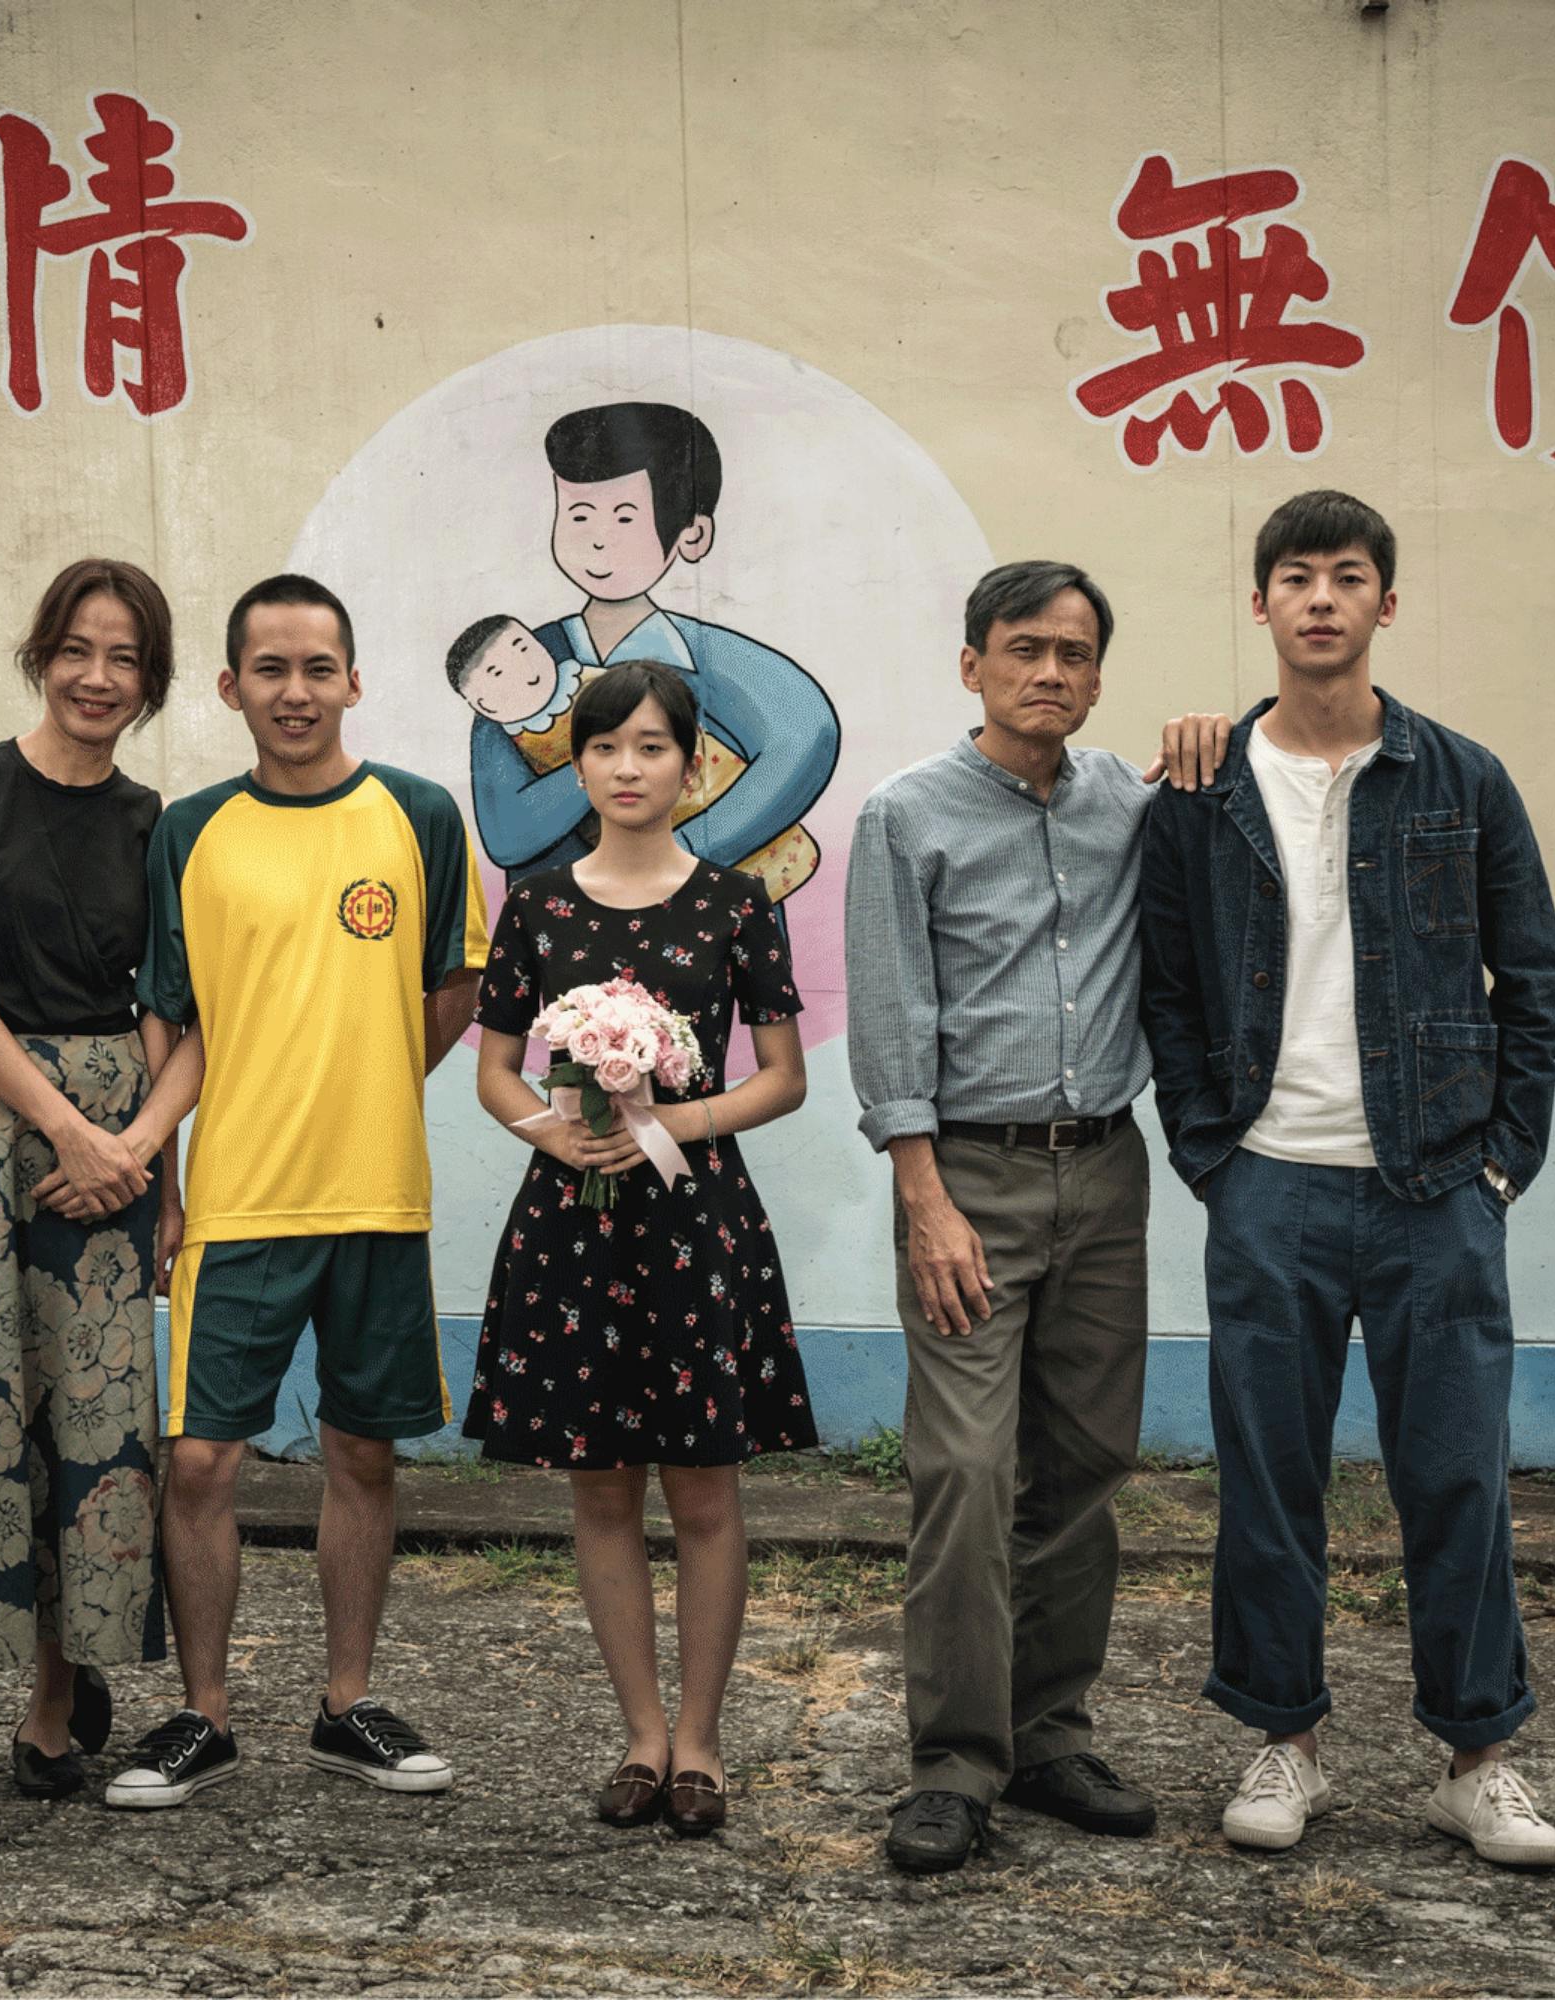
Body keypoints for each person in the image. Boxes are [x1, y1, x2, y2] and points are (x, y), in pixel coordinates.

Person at [1137, 490, 1555, 1868]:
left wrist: (1500, 1164)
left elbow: (1533, 985)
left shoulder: (1461, 778)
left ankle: (1478, 1757)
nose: (1318, 599)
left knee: (1456, 1478)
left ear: (1386, 604)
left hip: (1435, 1187)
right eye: (1293, 577)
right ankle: (1285, 1738)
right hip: (1268, 1184)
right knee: (1269, 1480)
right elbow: (1166, 992)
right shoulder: (1199, 795)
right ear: (1255, 604)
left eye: (1346, 577)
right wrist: (1212, 1156)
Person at [843, 559, 1228, 1875]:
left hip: (1102, 1174)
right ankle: (953, 1760)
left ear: (1097, 672)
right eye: (1022, 649)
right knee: (963, 1468)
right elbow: (891, 1014)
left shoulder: (1128, 798)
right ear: (972, 665)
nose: (1048, 671)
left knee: (1081, 1462)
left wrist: (1212, 740)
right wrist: (923, 1197)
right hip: (968, 1180)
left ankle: (1049, 1729)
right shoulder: (907, 814)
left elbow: (1246, 786)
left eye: (1072, 651)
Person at [105, 574, 489, 1811]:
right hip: (235, 1202)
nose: (294, 691)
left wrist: (362, 1078)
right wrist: (162, 1184)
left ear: (354, 680)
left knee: (361, 1451)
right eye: (269, 669)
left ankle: (347, 1704)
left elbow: (449, 990)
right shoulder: (192, 829)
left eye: (318, 667)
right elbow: (170, 1018)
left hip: (376, 1195)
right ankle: (202, 1715)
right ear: (230, 687)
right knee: (203, 1460)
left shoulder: (420, 815)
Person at [466, 660, 817, 1838]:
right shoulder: (538, 903)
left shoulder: (734, 903)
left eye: (653, 747)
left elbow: (781, 1078)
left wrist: (671, 1121)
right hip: (572, 1227)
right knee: (600, 1486)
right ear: (579, 761)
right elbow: (492, 1070)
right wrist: (560, 1138)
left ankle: (703, 1744)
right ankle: (638, 1737)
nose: (627, 768)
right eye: (605, 746)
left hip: (694, 1222)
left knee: (705, 1489)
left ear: (689, 763)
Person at [0, 555, 203, 1799]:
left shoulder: (159, 824)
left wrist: (144, 1164)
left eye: (125, 656)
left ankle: (54, 1692)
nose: (97, 675)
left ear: (152, 679)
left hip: (114, 1139)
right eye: (78, 647)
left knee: (101, 1422)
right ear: (42, 652)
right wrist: (63, 1126)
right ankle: (36, 1658)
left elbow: (170, 1019)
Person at [464, 403, 839, 908]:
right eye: (578, 515)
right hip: (568, 927)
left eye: (624, 517)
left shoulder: (710, 656)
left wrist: (688, 849)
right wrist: (609, 765)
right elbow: (508, 834)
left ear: (692, 535)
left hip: (706, 921)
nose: (597, 540)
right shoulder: (520, 664)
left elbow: (808, 733)